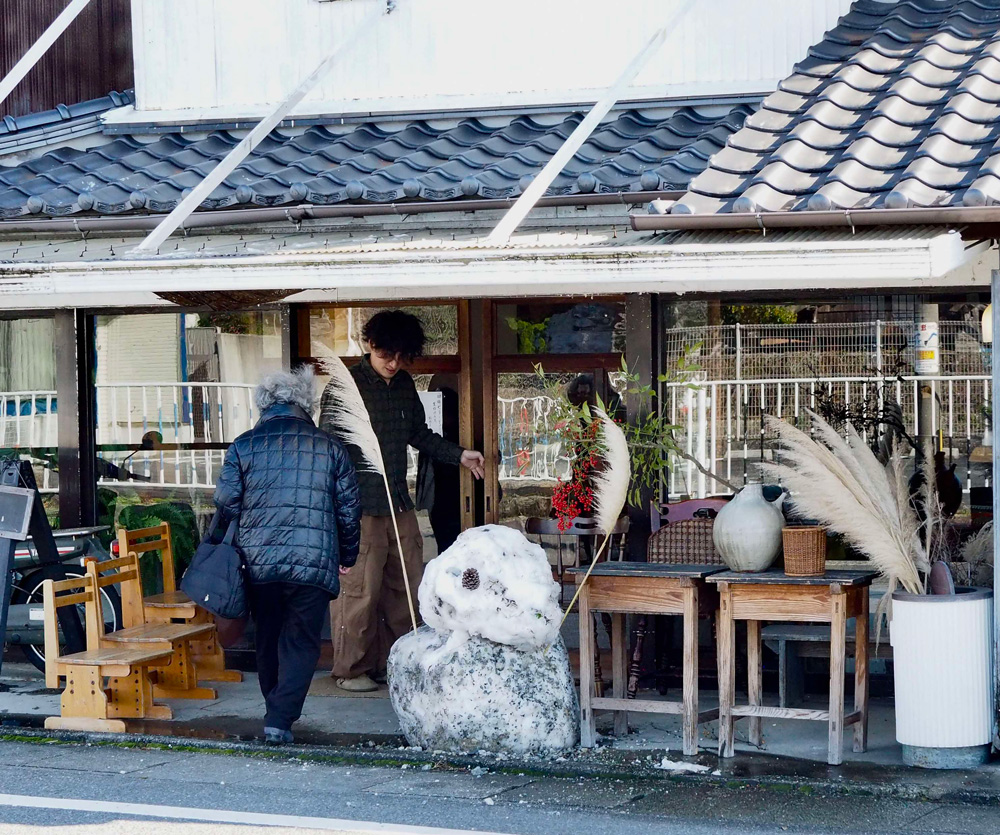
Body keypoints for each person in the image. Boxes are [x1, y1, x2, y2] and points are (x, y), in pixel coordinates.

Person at [321, 310, 485, 692]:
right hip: (357, 508)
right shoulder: (344, 385)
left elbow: (419, 434)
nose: (393, 363)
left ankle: (400, 663)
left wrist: (460, 455)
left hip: (398, 502)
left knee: (407, 588)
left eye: (400, 356)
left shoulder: (405, 384)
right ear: (369, 344)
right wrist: (335, 507)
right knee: (359, 592)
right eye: (386, 355)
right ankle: (351, 669)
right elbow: (328, 447)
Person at [215, 366, 360, 744]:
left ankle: (275, 711)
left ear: (264, 405)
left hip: (258, 562)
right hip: (313, 563)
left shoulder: (244, 445)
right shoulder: (330, 447)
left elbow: (226, 501)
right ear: (306, 405)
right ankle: (279, 718)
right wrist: (348, 555)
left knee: (267, 636)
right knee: (301, 641)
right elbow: (348, 509)